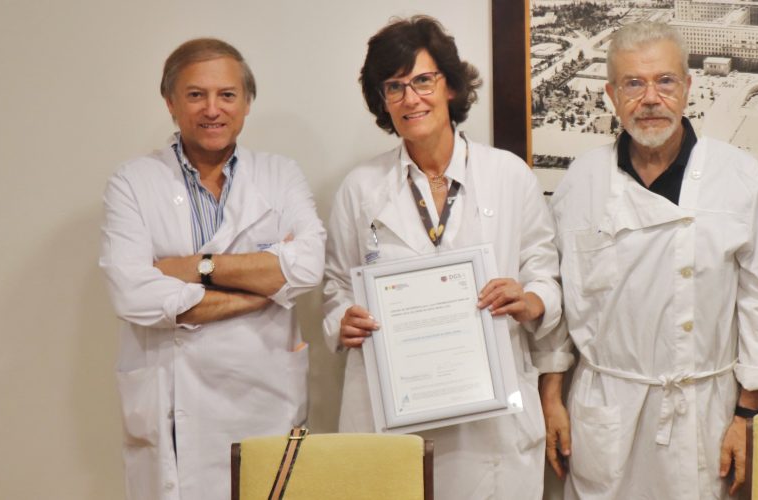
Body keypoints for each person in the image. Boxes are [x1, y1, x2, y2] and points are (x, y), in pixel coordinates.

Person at [321, 15, 565, 499]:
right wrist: (341, 319)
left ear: (450, 86)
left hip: (491, 422)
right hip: (392, 413)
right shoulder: (360, 188)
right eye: (394, 87)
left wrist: (530, 300)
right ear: (382, 101)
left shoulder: (508, 175)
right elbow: (336, 287)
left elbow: (545, 275)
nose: (410, 98)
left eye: (423, 81)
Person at [546, 21, 758, 499]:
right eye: (633, 83)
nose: (651, 99)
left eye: (665, 81)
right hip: (606, 408)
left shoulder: (738, 176)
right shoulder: (582, 181)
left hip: (703, 409)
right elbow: (558, 295)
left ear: (687, 87)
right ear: (611, 95)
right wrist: (551, 397)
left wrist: (747, 414)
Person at [99, 38, 326, 500]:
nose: (212, 109)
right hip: (175, 409)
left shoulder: (280, 175)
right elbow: (133, 294)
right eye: (195, 94)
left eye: (227, 94)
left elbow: (306, 268)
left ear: (246, 103)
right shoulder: (133, 182)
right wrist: (261, 288)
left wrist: (194, 268)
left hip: (267, 399)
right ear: (170, 102)